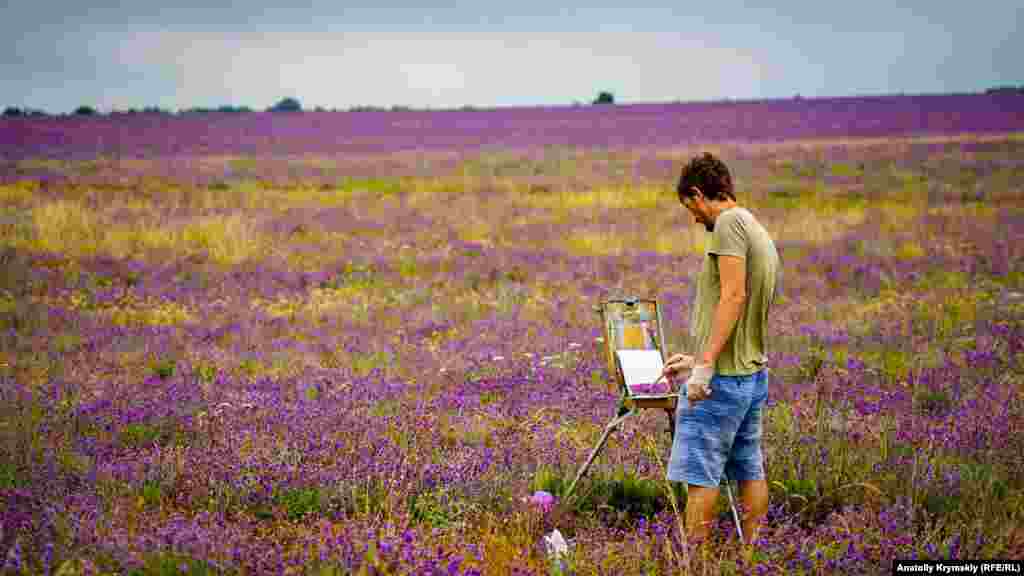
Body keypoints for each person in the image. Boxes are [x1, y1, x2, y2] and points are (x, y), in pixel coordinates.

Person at [660, 152, 780, 551]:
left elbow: (733, 296)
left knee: (701, 475)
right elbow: (744, 314)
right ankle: (752, 557)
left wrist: (704, 369)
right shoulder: (755, 227)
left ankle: (695, 563)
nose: (693, 217)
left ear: (698, 193)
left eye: (690, 206)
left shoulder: (727, 224)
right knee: (749, 469)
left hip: (721, 383)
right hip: (751, 374)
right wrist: (698, 358)